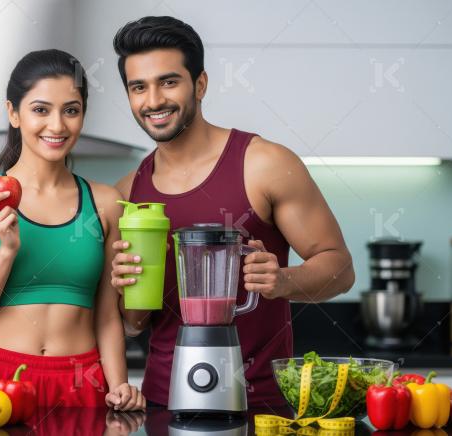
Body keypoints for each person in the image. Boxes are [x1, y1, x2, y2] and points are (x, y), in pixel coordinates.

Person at [109, 17, 356, 408]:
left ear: (200, 84)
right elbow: (133, 324)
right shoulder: (127, 194)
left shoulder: (265, 163)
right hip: (163, 405)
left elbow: (341, 269)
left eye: (168, 82)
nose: (153, 100)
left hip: (264, 407)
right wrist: (128, 290)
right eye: (138, 87)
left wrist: (284, 281)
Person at [0, 49, 145, 411]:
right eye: (41, 109)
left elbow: (107, 314)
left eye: (71, 110)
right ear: (13, 113)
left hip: (83, 385)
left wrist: (119, 385)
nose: (57, 126)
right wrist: (5, 252)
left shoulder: (105, 203)